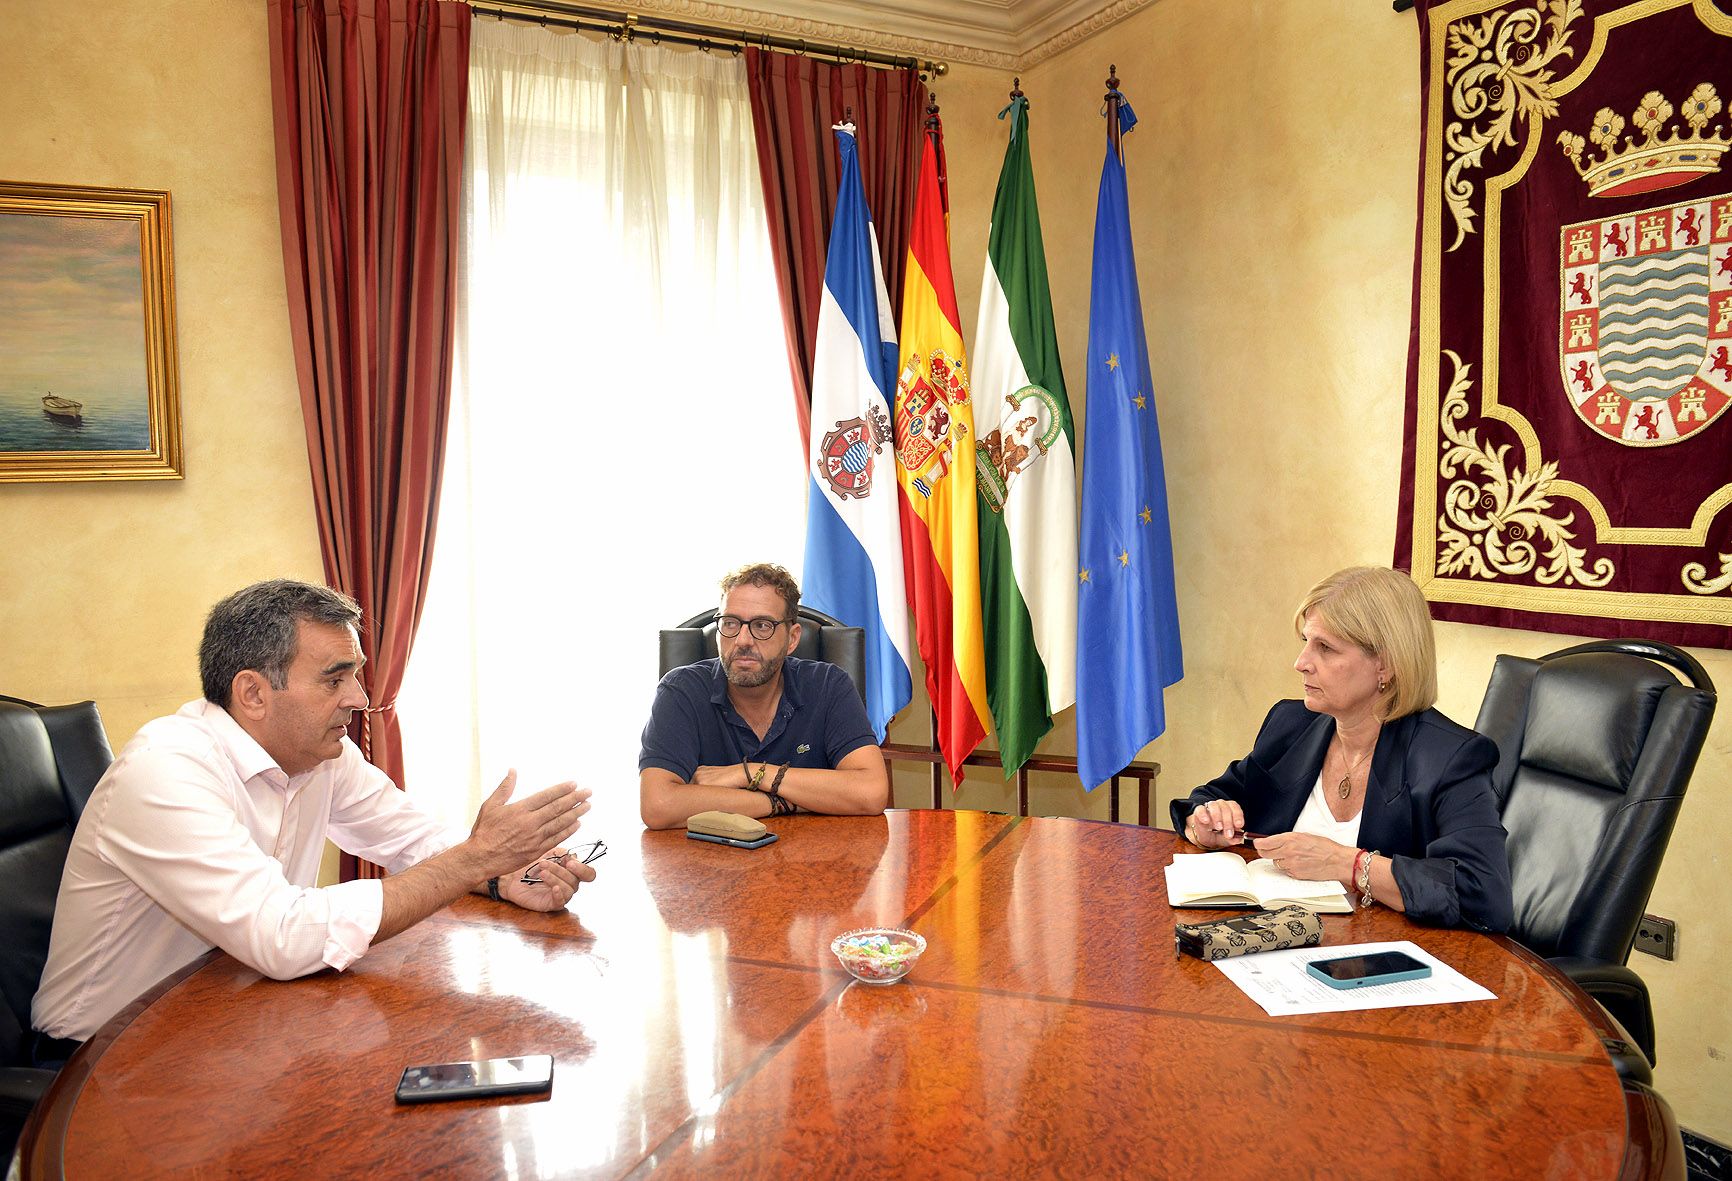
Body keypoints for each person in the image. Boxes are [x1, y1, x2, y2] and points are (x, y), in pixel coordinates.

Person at [31, 579, 596, 1054]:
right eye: (334, 679)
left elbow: (413, 838)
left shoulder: (319, 754)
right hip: (103, 1058)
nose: (357, 697)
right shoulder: (164, 771)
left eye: (354, 675)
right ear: (253, 693)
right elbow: (280, 935)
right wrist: (477, 858)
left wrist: (502, 876)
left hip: (236, 1021)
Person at [1171, 567, 1512, 931]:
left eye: (1325, 648)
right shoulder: (1291, 724)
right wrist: (1203, 823)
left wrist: (1347, 864)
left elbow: (1483, 896)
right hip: (1271, 944)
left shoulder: (1450, 758)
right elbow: (1209, 798)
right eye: (1305, 642)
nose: (1301, 663)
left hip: (1381, 965)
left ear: (1386, 665)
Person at [639, 563, 888, 830]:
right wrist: (778, 803)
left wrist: (750, 773)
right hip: (711, 865)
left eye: (762, 625)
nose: (743, 640)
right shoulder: (681, 690)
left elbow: (871, 792)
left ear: (792, 639)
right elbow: (659, 806)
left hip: (812, 861)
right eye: (731, 623)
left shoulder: (828, 684)